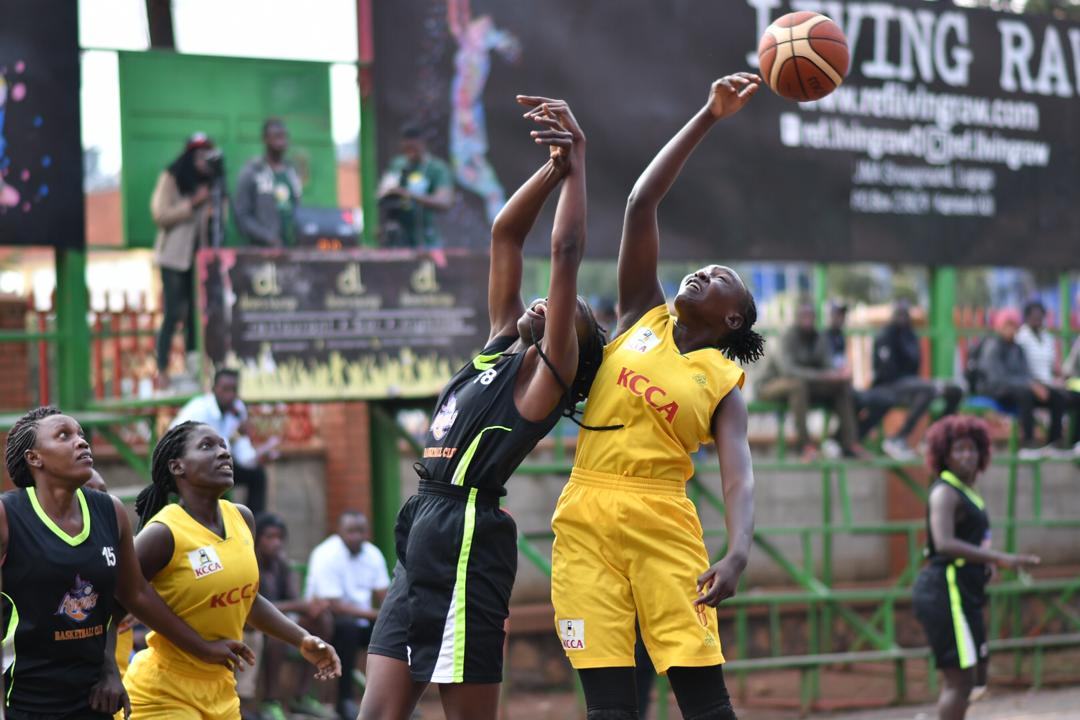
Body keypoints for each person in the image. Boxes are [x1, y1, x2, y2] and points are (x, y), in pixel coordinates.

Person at [359, 98, 603, 720]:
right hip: (422, 529)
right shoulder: (499, 345)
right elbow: (505, 234)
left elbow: (565, 252)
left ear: (567, 348)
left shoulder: (541, 384)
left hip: (466, 538)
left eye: (565, 313)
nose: (546, 304)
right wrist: (551, 168)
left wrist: (578, 162)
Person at [549, 74, 763, 720]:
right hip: (585, 511)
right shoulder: (642, 313)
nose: (704, 272)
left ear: (732, 318)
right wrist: (707, 115)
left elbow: (738, 477)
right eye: (705, 269)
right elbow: (641, 202)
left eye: (721, 278)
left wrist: (738, 550)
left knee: (703, 700)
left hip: (662, 520)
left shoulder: (722, 382)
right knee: (609, 708)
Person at [1, 407, 255, 720]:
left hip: (95, 696)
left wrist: (202, 648)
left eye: (81, 434)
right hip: (27, 698)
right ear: (34, 458)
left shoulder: (111, 511)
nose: (81, 441)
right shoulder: (8, 516)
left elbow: (136, 594)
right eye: (64, 436)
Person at [122, 421, 341, 718]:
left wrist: (302, 638)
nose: (224, 453)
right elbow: (125, 590)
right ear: (177, 466)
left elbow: (247, 599)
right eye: (207, 446)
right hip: (163, 691)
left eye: (224, 446)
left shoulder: (242, 518)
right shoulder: (163, 532)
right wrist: (201, 647)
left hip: (222, 689)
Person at [912, 415, 1040, 720]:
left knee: (977, 678)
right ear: (944, 455)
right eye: (958, 449)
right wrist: (998, 558)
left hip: (966, 590)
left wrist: (984, 564)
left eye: (972, 449)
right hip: (946, 591)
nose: (967, 455)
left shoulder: (968, 490)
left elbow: (971, 538)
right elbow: (944, 543)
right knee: (960, 682)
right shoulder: (945, 492)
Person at [304, 512, 389, 720]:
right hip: (326, 624)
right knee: (348, 630)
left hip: (363, 622)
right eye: (351, 531)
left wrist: (387, 616)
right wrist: (376, 614)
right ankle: (345, 701)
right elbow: (333, 606)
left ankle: (392, 700)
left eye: (361, 531)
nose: (356, 536)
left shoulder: (373, 554)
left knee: (393, 632)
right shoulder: (326, 553)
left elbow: (384, 595)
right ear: (339, 531)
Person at [250, 513, 335, 720]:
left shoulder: (281, 564)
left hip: (280, 622)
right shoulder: (250, 564)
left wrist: (313, 607)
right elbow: (253, 606)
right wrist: (299, 605)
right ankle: (270, 700)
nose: (276, 543)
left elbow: (294, 599)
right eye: (270, 537)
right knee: (278, 634)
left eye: (280, 537)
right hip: (253, 626)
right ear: (257, 539)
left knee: (322, 620)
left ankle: (301, 696)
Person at [151, 133, 219, 390]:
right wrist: (192, 203)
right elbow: (160, 214)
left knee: (194, 314)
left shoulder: (211, 184)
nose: (203, 160)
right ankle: (162, 368)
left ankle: (194, 368)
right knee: (173, 312)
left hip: (198, 259)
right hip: (173, 256)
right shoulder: (172, 178)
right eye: (198, 155)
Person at [757, 301, 863, 460]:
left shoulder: (819, 337)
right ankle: (804, 446)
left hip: (804, 386)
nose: (807, 320)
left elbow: (827, 365)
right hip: (771, 385)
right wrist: (824, 376)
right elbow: (788, 371)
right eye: (804, 316)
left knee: (840, 387)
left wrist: (838, 374)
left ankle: (850, 443)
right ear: (797, 318)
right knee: (797, 385)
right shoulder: (786, 337)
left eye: (810, 316)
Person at [862, 302, 963, 459]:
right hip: (889, 385)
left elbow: (915, 368)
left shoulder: (910, 336)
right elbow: (886, 372)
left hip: (911, 383)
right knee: (928, 390)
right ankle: (898, 438)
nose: (903, 319)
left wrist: (915, 383)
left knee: (954, 391)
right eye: (899, 314)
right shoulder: (885, 336)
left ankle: (934, 438)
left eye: (905, 315)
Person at [173, 368, 279, 514]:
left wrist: (257, 458)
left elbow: (242, 453)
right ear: (214, 389)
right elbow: (176, 441)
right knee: (219, 476)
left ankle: (254, 522)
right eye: (225, 389)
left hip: (219, 465)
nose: (230, 395)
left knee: (257, 475)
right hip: (193, 468)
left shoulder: (237, 409)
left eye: (234, 389)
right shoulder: (199, 410)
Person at [977, 308, 1067, 456]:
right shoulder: (993, 346)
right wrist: (1029, 385)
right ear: (999, 326)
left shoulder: (1018, 348)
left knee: (1055, 396)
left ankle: (1055, 442)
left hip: (1021, 389)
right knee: (1026, 394)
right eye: (1008, 325)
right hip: (998, 391)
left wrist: (1039, 386)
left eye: (1014, 325)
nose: (1011, 329)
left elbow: (1026, 373)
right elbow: (997, 378)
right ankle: (1028, 443)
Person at [1016, 300, 1079, 448]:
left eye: (1040, 316)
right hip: (1031, 385)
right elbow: (1021, 368)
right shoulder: (1021, 338)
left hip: (1049, 384)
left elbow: (1052, 366)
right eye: (1034, 316)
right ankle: (1041, 441)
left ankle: (1073, 442)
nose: (1037, 320)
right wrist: (1035, 384)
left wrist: (1062, 377)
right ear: (1027, 317)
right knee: (1056, 398)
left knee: (1075, 397)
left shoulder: (1046, 337)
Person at [377, 125, 453, 248]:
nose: (410, 153)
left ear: (423, 144)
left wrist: (410, 195)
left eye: (413, 148)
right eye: (406, 149)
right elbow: (383, 193)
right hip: (398, 240)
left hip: (426, 240)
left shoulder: (436, 168)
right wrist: (387, 192)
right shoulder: (398, 164)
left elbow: (444, 202)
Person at [234, 118, 302, 247]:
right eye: (276, 136)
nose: (281, 141)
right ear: (265, 139)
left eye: (284, 136)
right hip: (263, 249)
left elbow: (298, 207)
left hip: (292, 248)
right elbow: (241, 215)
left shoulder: (291, 172)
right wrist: (268, 237)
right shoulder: (252, 171)